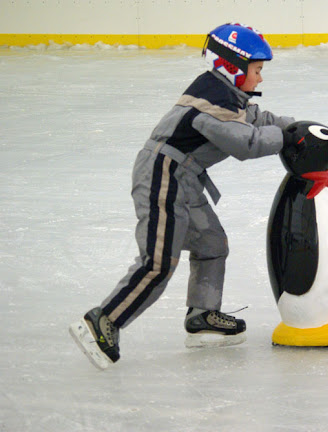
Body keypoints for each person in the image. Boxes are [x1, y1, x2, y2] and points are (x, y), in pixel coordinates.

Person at [69, 23, 295, 369]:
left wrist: (298, 127)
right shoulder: (211, 104)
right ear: (233, 67)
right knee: (158, 261)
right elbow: (246, 143)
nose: (261, 78)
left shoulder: (225, 94)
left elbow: (259, 118)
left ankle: (203, 317)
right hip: (163, 176)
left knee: (211, 244)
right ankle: (103, 321)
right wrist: (291, 140)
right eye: (258, 70)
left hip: (183, 179)